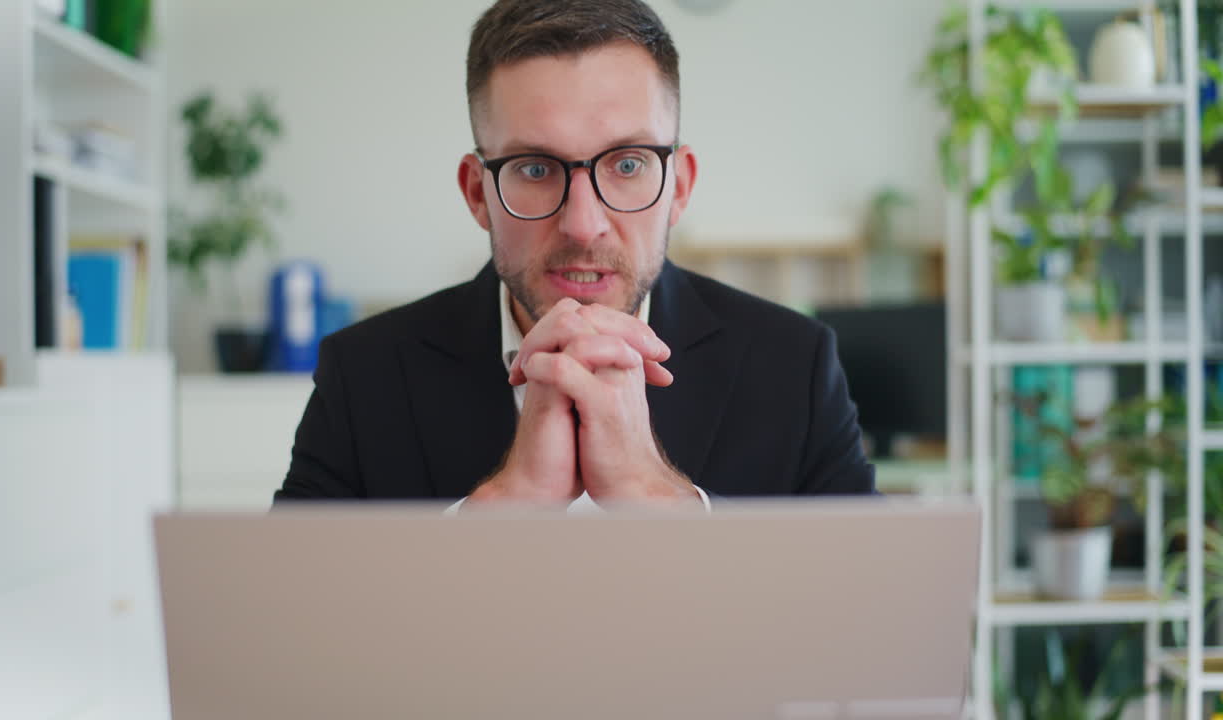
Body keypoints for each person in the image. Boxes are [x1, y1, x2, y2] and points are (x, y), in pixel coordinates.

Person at [274, 0, 875, 509]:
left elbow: (869, 628)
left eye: (629, 164)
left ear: (680, 186)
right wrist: (504, 507)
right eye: (534, 168)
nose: (583, 225)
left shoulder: (795, 368)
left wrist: (658, 500)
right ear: (477, 193)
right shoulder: (365, 377)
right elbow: (283, 635)